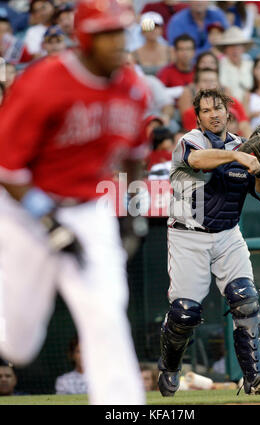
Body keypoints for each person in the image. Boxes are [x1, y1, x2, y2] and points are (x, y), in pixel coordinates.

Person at [0, 0, 150, 405]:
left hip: (86, 209)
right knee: (18, 343)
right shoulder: (44, 82)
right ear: (85, 38)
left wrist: (132, 210)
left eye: (121, 31)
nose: (118, 42)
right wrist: (47, 223)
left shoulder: (132, 86)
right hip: (23, 210)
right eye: (107, 33)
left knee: (106, 311)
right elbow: (7, 168)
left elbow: (135, 154)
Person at [157, 88, 260, 397]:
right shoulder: (190, 141)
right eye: (206, 110)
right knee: (185, 313)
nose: (214, 114)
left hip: (227, 234)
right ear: (199, 118)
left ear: (228, 112)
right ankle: (169, 366)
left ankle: (255, 378)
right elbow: (197, 160)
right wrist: (239, 156)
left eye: (218, 108)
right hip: (188, 234)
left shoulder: (243, 146)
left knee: (245, 299)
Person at [215, 26, 254, 102]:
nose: (235, 50)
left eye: (238, 46)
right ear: (225, 49)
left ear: (243, 49)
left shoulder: (251, 65)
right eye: (231, 46)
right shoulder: (219, 66)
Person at [132, 12, 171, 76]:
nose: (152, 29)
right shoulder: (134, 54)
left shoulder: (171, 51)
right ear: (142, 30)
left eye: (156, 26)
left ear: (161, 29)